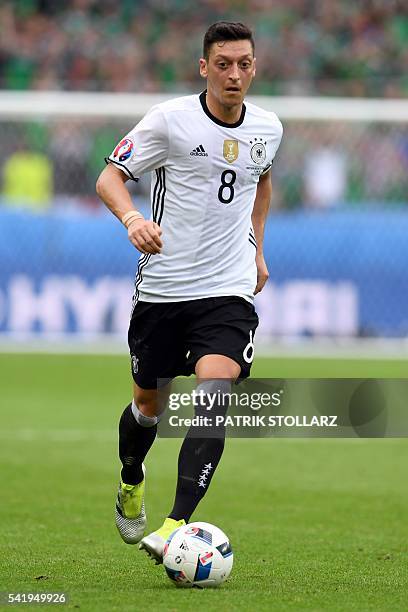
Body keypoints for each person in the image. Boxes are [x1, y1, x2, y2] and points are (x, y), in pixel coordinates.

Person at [96, 21, 283, 564]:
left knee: (214, 395)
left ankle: (175, 524)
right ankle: (132, 476)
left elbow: (261, 180)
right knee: (147, 407)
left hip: (227, 290)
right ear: (204, 67)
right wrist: (132, 218)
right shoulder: (170, 121)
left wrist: (257, 248)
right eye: (223, 64)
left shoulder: (268, 128)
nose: (234, 74)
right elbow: (110, 177)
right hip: (163, 289)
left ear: (254, 66)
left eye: (243, 63)